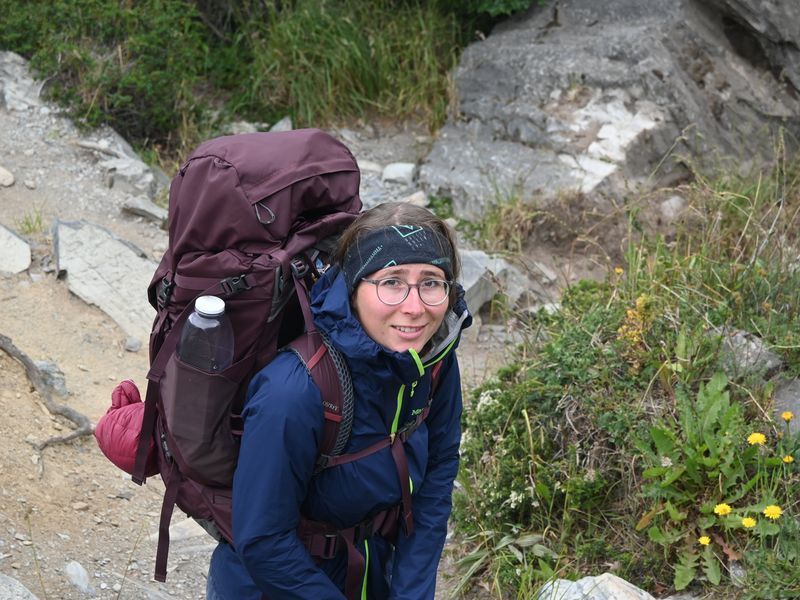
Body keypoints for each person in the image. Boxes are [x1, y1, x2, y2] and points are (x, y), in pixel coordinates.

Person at [206, 201, 472, 599]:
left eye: (431, 282)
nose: (415, 307)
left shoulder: (432, 361)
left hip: (369, 570)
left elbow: (437, 471)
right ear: (352, 287)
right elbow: (263, 540)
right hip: (274, 585)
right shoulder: (294, 390)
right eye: (392, 281)